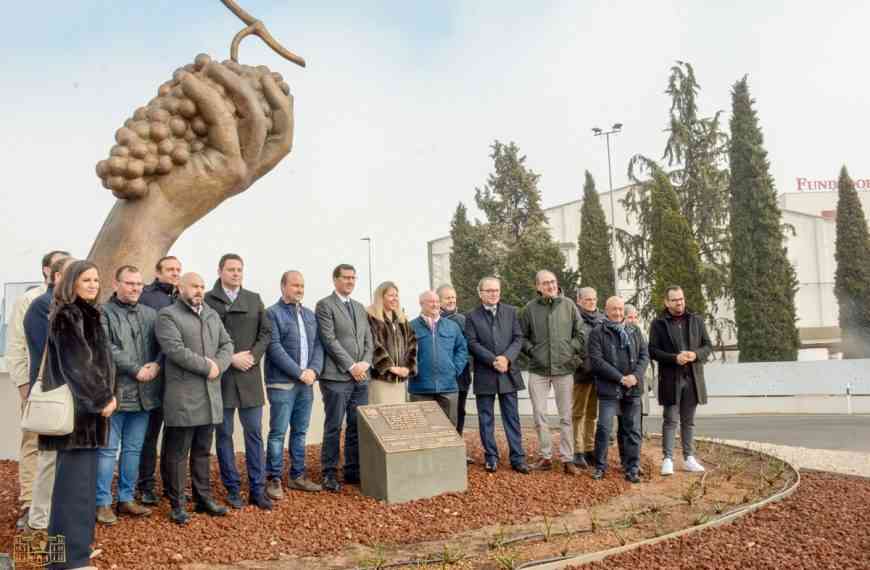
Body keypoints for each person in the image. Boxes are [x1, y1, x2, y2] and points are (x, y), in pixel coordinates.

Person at [39, 260, 116, 570]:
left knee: (80, 490)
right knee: (71, 492)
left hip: (88, 418)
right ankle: (65, 561)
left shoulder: (87, 313)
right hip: (77, 417)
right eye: (86, 279)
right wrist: (102, 398)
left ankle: (75, 553)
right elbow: (77, 364)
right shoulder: (68, 315)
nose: (93, 284)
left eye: (96, 279)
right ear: (71, 282)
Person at [155, 272, 233, 524]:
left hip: (210, 396)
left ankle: (203, 498)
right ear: (180, 288)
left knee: (202, 451)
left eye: (202, 286)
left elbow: (227, 344)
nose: (199, 290)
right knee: (178, 454)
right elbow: (175, 350)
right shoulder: (168, 315)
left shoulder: (211, 314)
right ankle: (177, 504)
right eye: (194, 286)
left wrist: (219, 365)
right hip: (183, 397)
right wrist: (207, 366)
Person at [204, 254, 273, 510]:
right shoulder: (208, 300)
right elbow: (203, 337)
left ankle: (258, 489)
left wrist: (252, 356)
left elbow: (266, 333)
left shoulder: (254, 299)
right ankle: (232, 488)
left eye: (239, 269)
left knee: (254, 433)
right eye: (231, 269)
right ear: (220, 271)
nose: (236, 273)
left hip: (249, 375)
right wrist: (229, 358)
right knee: (224, 434)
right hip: (221, 377)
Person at [7, 250, 68, 530]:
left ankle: (52, 505)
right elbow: (17, 345)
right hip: (37, 388)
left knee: (56, 450)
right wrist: (23, 385)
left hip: (63, 392)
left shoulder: (72, 302)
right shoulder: (32, 301)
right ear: (48, 271)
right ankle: (29, 503)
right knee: (33, 445)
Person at [96, 266, 161, 525]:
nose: (135, 288)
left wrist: (156, 364)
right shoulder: (102, 312)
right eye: (129, 283)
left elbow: (163, 345)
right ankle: (102, 503)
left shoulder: (150, 314)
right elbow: (106, 347)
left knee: (133, 449)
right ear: (116, 284)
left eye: (138, 284)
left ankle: (126, 498)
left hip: (145, 395)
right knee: (108, 451)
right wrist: (136, 369)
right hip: (115, 393)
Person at [23, 255, 73, 533]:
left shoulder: (70, 307)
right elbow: (51, 351)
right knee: (47, 464)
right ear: (56, 277)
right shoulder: (42, 306)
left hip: (69, 397)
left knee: (60, 468)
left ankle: (54, 531)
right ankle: (36, 530)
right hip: (53, 396)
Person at [265, 271, 325, 497]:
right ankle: (274, 479)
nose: (299, 289)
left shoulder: (310, 315)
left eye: (302, 286)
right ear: (283, 287)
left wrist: (313, 370)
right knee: (278, 433)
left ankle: (297, 476)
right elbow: (274, 348)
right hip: (282, 384)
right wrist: (299, 373)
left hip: (306, 384)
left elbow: (318, 346)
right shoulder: (272, 314)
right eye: (294, 285)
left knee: (300, 432)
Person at [315, 264, 374, 492]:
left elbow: (369, 340)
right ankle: (329, 472)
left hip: (361, 378)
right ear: (335, 279)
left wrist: (365, 363)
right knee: (333, 426)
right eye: (346, 277)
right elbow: (329, 340)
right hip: (336, 377)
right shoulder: (325, 305)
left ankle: (352, 469)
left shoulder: (359, 307)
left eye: (353, 278)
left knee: (356, 425)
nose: (350, 281)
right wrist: (351, 366)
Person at [520, 270, 585, 475]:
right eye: (546, 283)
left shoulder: (569, 305)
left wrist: (569, 350)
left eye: (553, 282)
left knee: (566, 416)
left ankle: (568, 459)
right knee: (540, 414)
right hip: (538, 369)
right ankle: (546, 457)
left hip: (564, 369)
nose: (551, 286)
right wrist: (533, 351)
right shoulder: (530, 309)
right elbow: (521, 337)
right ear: (538, 287)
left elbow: (581, 333)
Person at [465, 277, 530, 474]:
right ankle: (491, 457)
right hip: (485, 372)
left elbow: (518, 338)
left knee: (512, 417)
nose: (494, 293)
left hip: (508, 372)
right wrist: (493, 360)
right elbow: (472, 343)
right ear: (480, 293)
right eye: (489, 290)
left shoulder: (511, 312)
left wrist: (506, 359)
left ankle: (517, 458)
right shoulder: (471, 316)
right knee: (486, 418)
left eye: (496, 290)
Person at [648, 286, 713, 476]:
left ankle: (689, 458)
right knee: (670, 419)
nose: (679, 302)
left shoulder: (696, 320)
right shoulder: (658, 323)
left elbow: (708, 346)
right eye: (675, 300)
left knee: (688, 421)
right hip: (670, 378)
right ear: (667, 302)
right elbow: (653, 350)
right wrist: (674, 358)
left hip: (693, 378)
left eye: (681, 299)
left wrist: (695, 354)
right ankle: (667, 459)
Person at [136, 255, 182, 505]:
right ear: (158, 271)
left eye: (178, 270)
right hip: (153, 376)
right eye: (170, 269)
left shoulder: (180, 297)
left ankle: (170, 485)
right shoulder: (146, 296)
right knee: (149, 435)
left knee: (173, 436)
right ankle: (145, 485)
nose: (175, 273)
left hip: (178, 379)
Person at [589, 296, 649, 484]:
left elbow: (644, 356)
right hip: (609, 389)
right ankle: (600, 467)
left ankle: (632, 468)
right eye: (613, 309)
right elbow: (597, 361)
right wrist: (620, 378)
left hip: (633, 388)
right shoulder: (597, 332)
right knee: (604, 428)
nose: (617, 313)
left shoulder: (634, 330)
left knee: (633, 430)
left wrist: (635, 376)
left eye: (620, 309)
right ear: (606, 310)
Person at [408, 291, 467, 425]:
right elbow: (404, 354)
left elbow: (462, 349)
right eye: (430, 301)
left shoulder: (452, 326)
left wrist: (455, 369)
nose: (435, 304)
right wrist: (412, 370)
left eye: (437, 301)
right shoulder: (410, 327)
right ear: (421, 303)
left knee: (449, 428)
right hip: (420, 389)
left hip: (448, 387)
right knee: (423, 429)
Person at [367, 281, 417, 405]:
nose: (395, 299)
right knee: (381, 414)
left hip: (400, 381)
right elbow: (372, 344)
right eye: (391, 295)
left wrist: (407, 367)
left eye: (396, 295)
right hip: (381, 380)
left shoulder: (401, 319)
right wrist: (390, 367)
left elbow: (412, 344)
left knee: (399, 415)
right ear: (381, 297)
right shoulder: (371, 317)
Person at [572, 287, 605, 468]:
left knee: (592, 414)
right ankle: (577, 451)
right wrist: (580, 364)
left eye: (593, 299)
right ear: (579, 301)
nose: (591, 302)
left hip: (598, 375)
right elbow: (567, 346)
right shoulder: (573, 319)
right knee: (578, 413)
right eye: (587, 299)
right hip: (580, 374)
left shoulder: (602, 319)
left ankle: (588, 448)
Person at [436, 285, 472, 441]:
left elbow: (466, 348)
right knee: (439, 412)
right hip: (437, 376)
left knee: (458, 411)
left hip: (459, 376)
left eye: (453, 297)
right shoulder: (432, 320)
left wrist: (455, 368)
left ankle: (457, 443)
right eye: (447, 298)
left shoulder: (463, 320)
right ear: (438, 300)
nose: (451, 300)